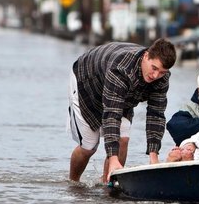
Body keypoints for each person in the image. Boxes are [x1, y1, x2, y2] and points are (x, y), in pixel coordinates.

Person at [68, 38, 177, 184]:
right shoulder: (120, 69)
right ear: (146, 56)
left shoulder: (161, 79)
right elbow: (112, 114)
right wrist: (113, 157)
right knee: (89, 146)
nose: (156, 76)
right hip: (87, 82)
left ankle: (108, 184)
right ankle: (73, 183)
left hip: (123, 94)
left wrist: (154, 156)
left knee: (123, 139)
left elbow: (156, 115)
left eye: (162, 72)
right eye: (154, 68)